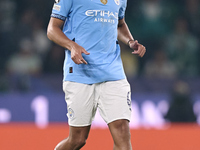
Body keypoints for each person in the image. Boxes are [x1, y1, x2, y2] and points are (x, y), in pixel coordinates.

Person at [47, 0, 146, 150]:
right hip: (80, 73)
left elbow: (119, 24)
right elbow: (52, 29)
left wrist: (130, 41)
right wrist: (72, 46)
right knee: (78, 139)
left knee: (122, 133)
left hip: (113, 73)